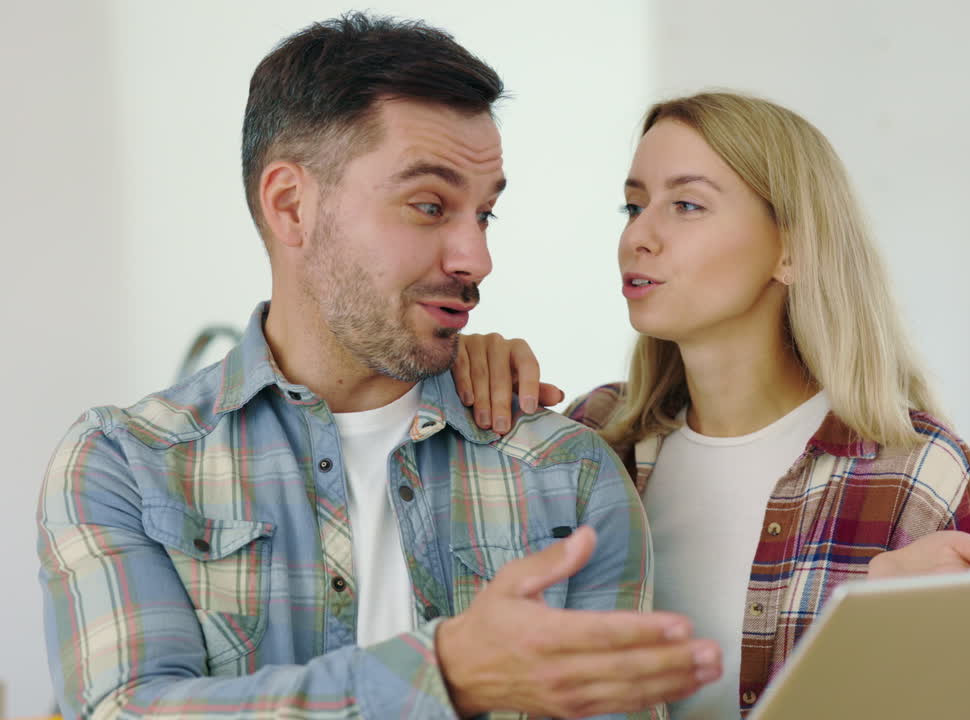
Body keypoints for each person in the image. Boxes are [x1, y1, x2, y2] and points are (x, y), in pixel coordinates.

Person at [36, 14, 722, 720]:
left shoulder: (565, 476)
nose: (475, 258)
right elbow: (127, 711)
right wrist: (445, 676)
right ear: (291, 205)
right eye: (429, 206)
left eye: (484, 215)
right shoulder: (127, 464)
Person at [452, 92, 970, 718]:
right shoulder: (593, 436)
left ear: (791, 250)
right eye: (633, 206)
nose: (639, 235)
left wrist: (871, 654)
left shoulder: (919, 473)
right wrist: (455, 371)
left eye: (686, 205)